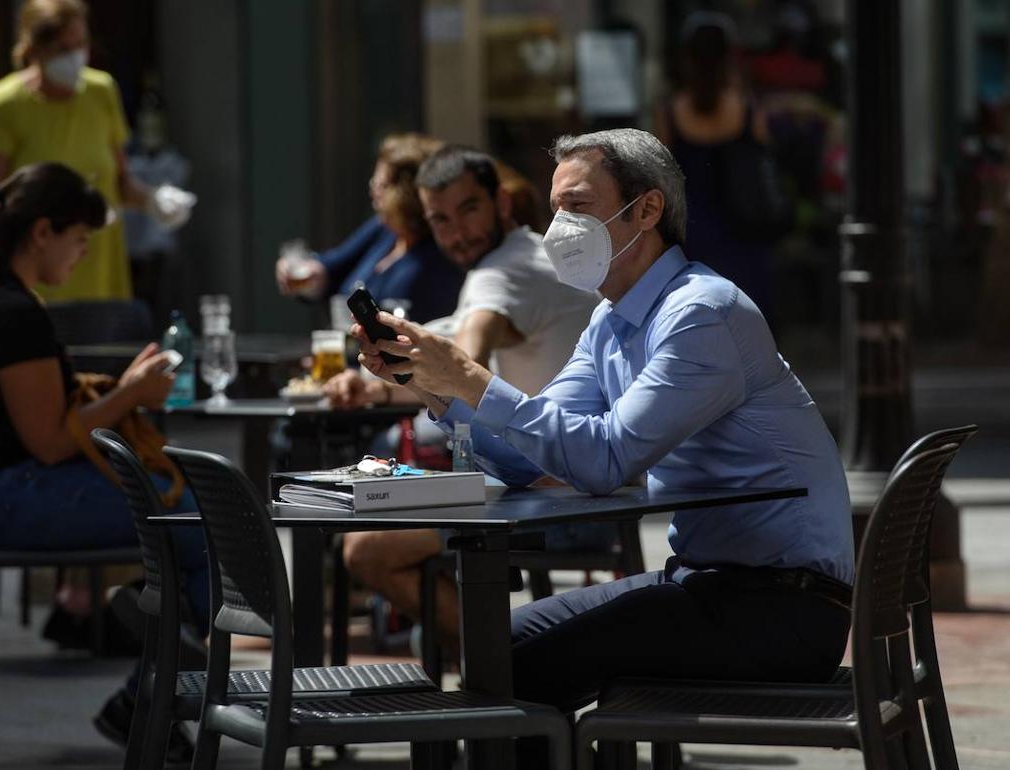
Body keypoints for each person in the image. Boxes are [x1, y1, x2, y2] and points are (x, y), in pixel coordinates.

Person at [352, 130, 854, 737]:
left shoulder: (700, 313)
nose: (560, 224)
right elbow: (524, 458)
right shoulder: (608, 321)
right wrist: (434, 387)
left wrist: (472, 377)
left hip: (783, 607)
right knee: (495, 645)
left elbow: (606, 460)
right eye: (556, 207)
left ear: (647, 210)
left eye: (579, 206)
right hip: (707, 582)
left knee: (521, 663)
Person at [0, 162, 207, 755]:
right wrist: (132, 395)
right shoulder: (8, 311)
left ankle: (161, 647)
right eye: (79, 240)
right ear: (43, 231)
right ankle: (162, 671)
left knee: (196, 522)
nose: (81, 255)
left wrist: (122, 389)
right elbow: (50, 441)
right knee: (202, 521)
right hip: (3, 498)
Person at [326, 146, 605, 643]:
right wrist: (372, 379)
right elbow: (447, 343)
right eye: (440, 220)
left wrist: (406, 378)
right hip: (576, 479)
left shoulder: (498, 273)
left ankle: (510, 669)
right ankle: (488, 659)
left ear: (500, 202)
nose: (457, 233)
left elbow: (463, 360)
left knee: (365, 549)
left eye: (469, 209)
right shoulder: (528, 252)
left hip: (564, 501)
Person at [0, 0, 193, 302]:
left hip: (101, 274)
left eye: (81, 44)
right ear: (34, 49)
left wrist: (154, 201)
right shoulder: (5, 104)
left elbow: (120, 184)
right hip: (39, 281)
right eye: (63, 48)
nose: (75, 56)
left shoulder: (101, 92)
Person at [655, 11, 778, 322]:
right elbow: (765, 157)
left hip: (693, 239)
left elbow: (658, 174)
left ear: (687, 59)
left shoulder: (671, 112)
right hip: (746, 238)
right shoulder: (747, 108)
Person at [274, 132, 464, 324]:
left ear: (404, 195)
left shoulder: (434, 259)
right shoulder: (385, 231)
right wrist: (304, 273)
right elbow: (332, 266)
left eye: (380, 185)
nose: (373, 191)